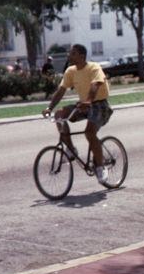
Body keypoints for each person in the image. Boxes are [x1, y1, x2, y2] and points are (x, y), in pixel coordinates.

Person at [42, 44, 114, 183]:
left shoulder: (94, 67)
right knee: (59, 115)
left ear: (82, 56)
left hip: (99, 105)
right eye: (70, 53)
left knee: (89, 133)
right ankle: (71, 149)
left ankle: (100, 167)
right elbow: (61, 90)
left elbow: (95, 85)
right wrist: (49, 108)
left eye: (73, 53)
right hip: (83, 105)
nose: (69, 56)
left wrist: (88, 101)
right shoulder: (70, 71)